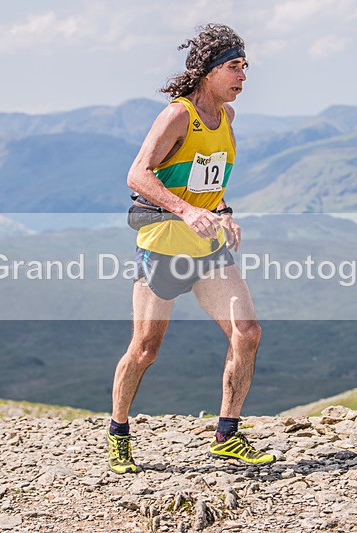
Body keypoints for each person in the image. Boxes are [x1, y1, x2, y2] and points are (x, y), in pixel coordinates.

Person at [108, 23, 274, 474]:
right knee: (145, 349)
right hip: (163, 247)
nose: (243, 76)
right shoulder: (177, 115)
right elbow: (138, 175)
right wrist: (186, 211)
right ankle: (119, 434)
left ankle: (227, 434)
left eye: (245, 67)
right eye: (233, 67)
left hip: (208, 249)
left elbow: (208, 183)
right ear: (207, 71)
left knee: (248, 332)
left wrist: (222, 210)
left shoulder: (228, 119)